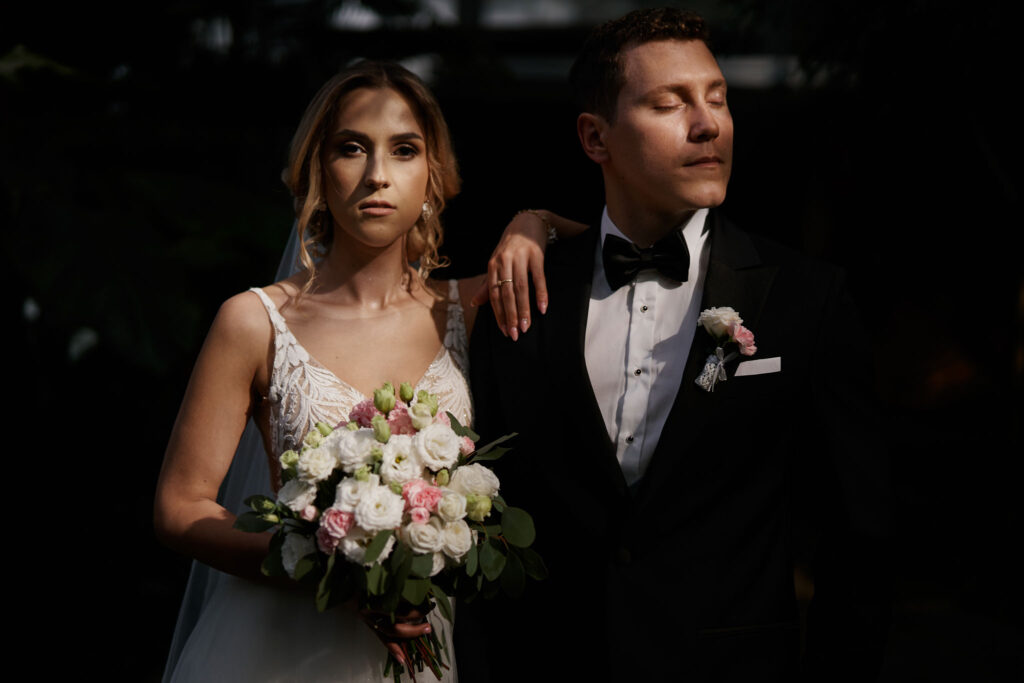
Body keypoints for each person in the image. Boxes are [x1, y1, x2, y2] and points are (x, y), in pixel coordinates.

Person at [459, 8, 891, 681]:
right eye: (670, 103)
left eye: (717, 98)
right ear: (595, 137)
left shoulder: (807, 298)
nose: (708, 123)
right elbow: (482, 512)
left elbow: (859, 536)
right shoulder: (521, 294)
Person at [154, 60, 584, 682]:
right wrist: (331, 570)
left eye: (404, 150)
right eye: (351, 148)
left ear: (433, 175)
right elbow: (179, 507)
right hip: (275, 648)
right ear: (317, 170)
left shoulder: (469, 308)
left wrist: (532, 224)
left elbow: (611, 249)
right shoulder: (251, 321)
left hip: (420, 655)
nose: (377, 175)